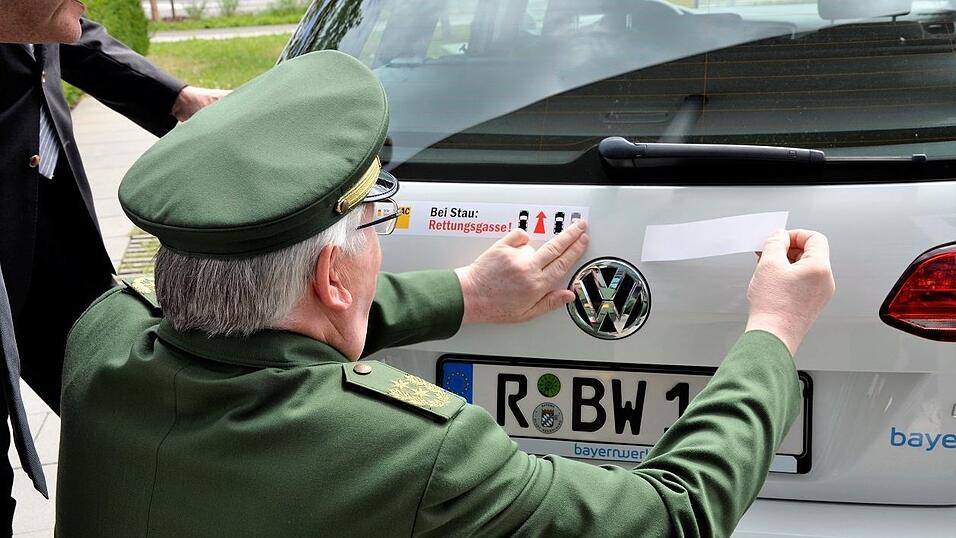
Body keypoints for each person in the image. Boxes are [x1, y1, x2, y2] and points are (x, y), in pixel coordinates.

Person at [57, 50, 835, 536]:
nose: (382, 239)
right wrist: (773, 330)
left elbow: (244, 329)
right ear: (332, 278)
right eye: (375, 221)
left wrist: (465, 293)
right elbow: (673, 517)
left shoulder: (98, 344)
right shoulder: (414, 453)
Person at [0, 0, 226, 529]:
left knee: (115, 402)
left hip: (51, 231)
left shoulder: (39, 16)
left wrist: (175, 98)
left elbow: (58, 33)